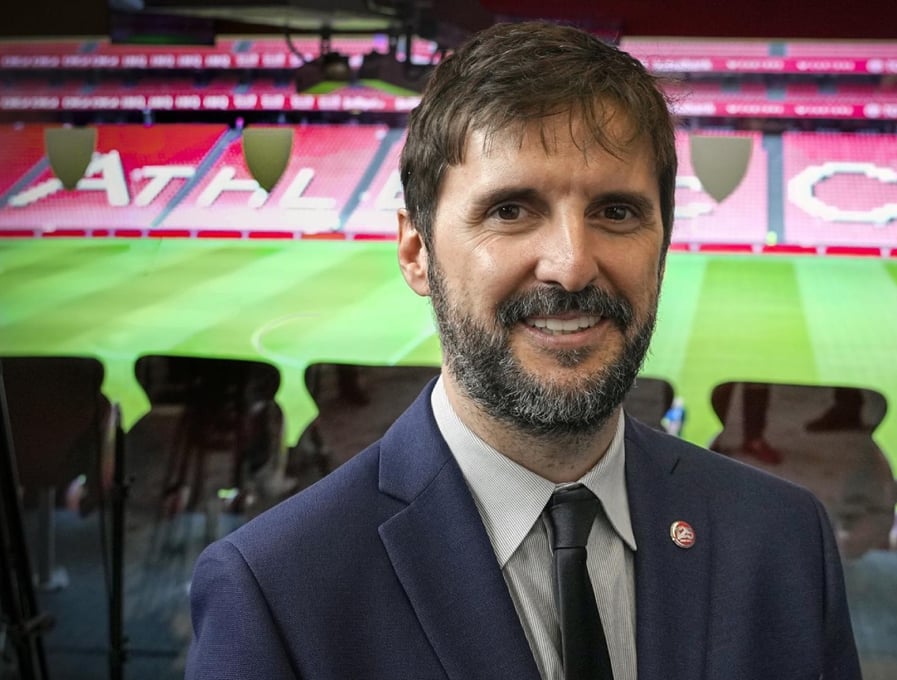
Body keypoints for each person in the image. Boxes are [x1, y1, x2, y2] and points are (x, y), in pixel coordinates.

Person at [186, 21, 860, 680]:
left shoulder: (783, 539)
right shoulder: (276, 591)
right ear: (416, 251)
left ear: (662, 243)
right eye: (511, 210)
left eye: (616, 212)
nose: (572, 266)